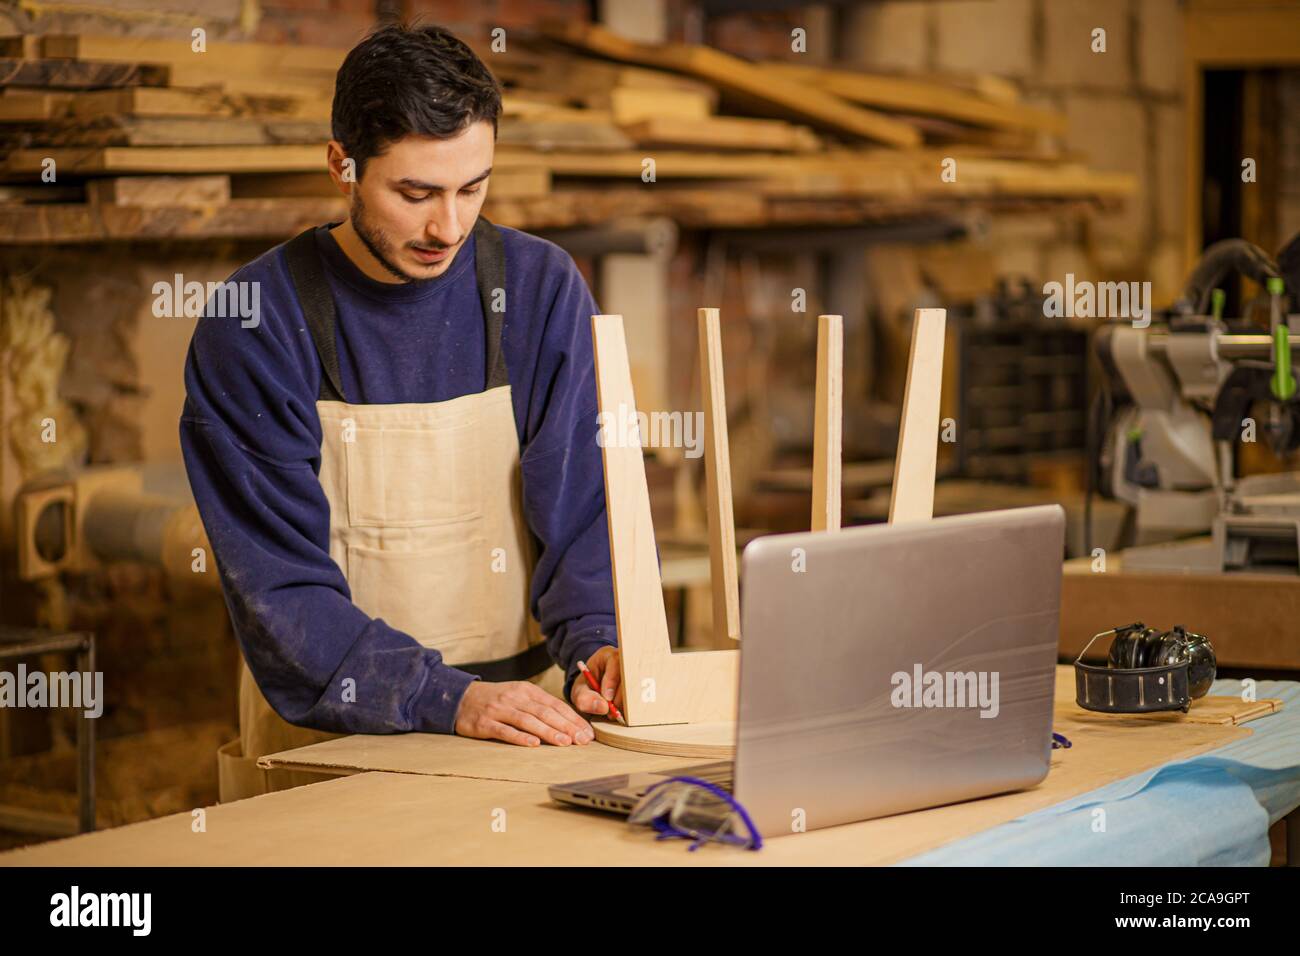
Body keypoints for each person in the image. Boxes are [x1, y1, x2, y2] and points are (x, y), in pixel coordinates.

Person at [179, 22, 623, 800]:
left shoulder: (541, 289)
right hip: (327, 752)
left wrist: (599, 647)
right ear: (340, 166)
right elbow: (281, 594)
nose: (447, 228)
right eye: (415, 193)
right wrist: (449, 700)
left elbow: (584, 519)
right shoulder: (255, 323)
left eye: (472, 189)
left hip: (528, 738)